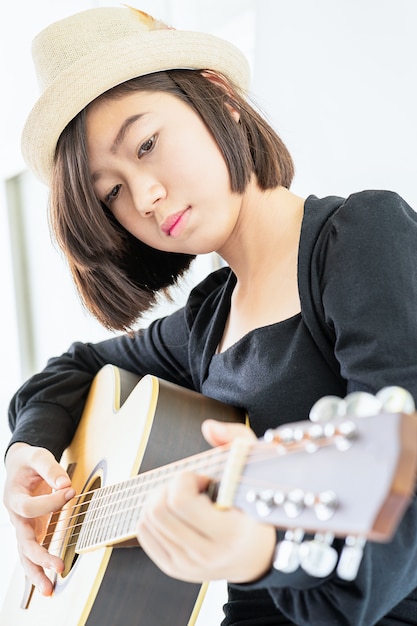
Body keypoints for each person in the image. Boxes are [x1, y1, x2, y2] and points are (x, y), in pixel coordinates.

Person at [3, 6, 417, 625]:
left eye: (146, 144)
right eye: (110, 191)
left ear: (218, 97)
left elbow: (405, 483)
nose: (144, 197)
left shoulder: (359, 237)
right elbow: (74, 367)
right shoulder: (206, 321)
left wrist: (263, 551)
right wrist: (26, 452)